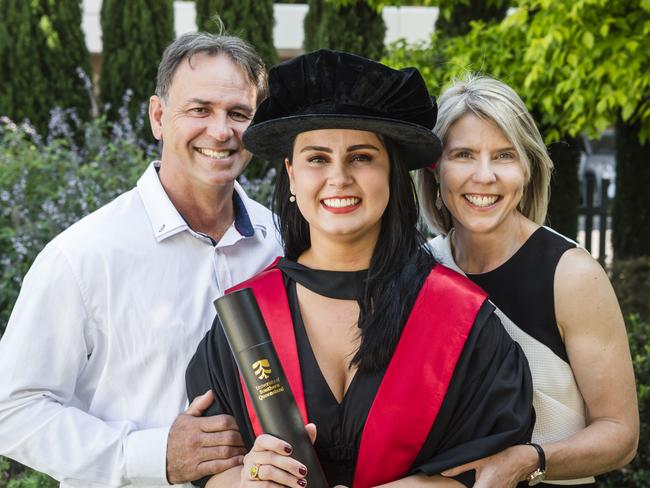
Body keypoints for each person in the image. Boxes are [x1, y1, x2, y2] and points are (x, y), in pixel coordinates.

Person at [186, 49, 535, 488]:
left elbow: (489, 470)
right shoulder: (246, 317)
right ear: (292, 176)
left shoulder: (458, 318)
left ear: (391, 172)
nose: (339, 178)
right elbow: (211, 473)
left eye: (361, 157)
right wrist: (246, 479)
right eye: (317, 159)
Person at [0, 32, 282, 487]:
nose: (221, 130)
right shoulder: (84, 255)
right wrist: (151, 455)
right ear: (158, 116)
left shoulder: (283, 243)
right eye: (199, 110)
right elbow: (11, 409)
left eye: (239, 114)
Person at [415, 75, 639, 487]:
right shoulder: (421, 267)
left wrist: (529, 460)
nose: (484, 176)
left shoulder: (571, 275)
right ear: (435, 168)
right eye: (464, 154)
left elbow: (620, 435)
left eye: (503, 156)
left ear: (528, 168)